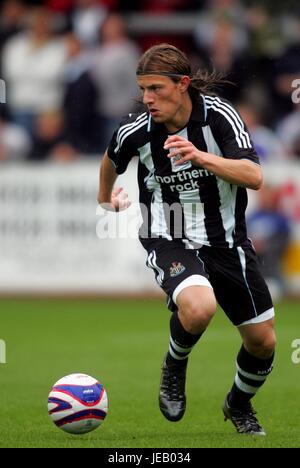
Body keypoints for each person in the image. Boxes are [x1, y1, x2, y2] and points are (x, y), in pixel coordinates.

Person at [97, 43, 276, 436]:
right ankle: (174, 365)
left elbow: (254, 177)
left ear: (182, 84)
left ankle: (238, 404)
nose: (147, 99)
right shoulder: (138, 130)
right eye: (143, 89)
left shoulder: (220, 117)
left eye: (156, 89)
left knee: (263, 343)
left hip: (227, 240)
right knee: (199, 308)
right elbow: (111, 159)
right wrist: (104, 198)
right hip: (168, 232)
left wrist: (200, 157)